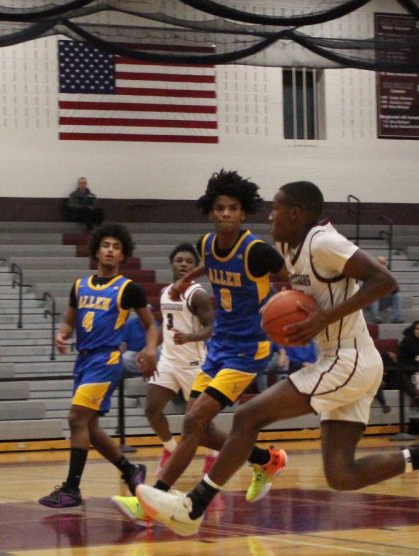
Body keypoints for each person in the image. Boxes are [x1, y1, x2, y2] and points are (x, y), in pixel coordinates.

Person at [134, 180, 419, 537]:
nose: (270, 216)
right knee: (342, 475)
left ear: (295, 214)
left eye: (276, 209)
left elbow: (384, 280)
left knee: (248, 417)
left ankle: (194, 506)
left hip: (349, 359)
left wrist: (322, 318)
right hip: (339, 361)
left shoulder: (323, 242)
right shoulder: (288, 246)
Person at [114, 169, 290, 525]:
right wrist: (183, 281)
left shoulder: (257, 252)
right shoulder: (207, 244)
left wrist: (289, 310)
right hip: (220, 346)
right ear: (211, 211)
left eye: (233, 208)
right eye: (220, 208)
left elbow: (291, 276)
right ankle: (265, 460)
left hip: (247, 350)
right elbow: (210, 264)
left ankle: (152, 502)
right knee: (203, 430)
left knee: (192, 420)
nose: (226, 214)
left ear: (243, 213)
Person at [39, 223, 159, 508]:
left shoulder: (129, 288)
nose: (110, 250)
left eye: (116, 247)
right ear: (96, 250)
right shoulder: (80, 286)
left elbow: (149, 325)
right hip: (84, 359)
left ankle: (72, 488)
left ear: (122, 255)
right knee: (90, 427)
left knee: (76, 419)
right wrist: (62, 332)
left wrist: (150, 348)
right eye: (106, 245)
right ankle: (130, 470)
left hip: (107, 360)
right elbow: (69, 319)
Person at [140, 243, 215, 469]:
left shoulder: (197, 294)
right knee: (152, 410)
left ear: (194, 268)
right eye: (179, 260)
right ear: (171, 264)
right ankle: (170, 449)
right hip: (169, 362)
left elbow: (213, 327)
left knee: (202, 424)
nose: (183, 264)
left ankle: (213, 454)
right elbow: (166, 326)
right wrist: (149, 348)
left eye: (189, 262)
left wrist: (191, 337)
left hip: (195, 365)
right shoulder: (165, 292)